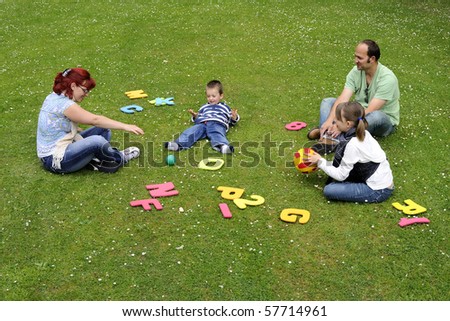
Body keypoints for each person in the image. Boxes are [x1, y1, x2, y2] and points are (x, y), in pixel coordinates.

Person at [37, 68, 144, 174]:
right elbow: (95, 120)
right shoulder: (65, 105)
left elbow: (55, 122)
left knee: (103, 130)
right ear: (73, 86)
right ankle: (118, 158)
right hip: (55, 160)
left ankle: (95, 162)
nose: (86, 94)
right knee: (97, 141)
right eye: (85, 90)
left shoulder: (53, 96)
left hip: (65, 146)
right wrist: (125, 126)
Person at [308, 39, 400, 148]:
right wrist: (329, 120)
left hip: (381, 120)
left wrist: (341, 125)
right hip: (357, 112)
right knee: (328, 102)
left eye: (360, 58)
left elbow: (370, 110)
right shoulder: (356, 71)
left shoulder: (387, 78)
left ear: (372, 59)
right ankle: (327, 132)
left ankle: (336, 139)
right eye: (355, 56)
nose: (356, 60)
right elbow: (343, 98)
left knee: (376, 116)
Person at [307, 101, 394, 203]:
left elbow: (341, 175)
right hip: (378, 179)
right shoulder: (362, 132)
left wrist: (320, 161)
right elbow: (343, 163)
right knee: (337, 177)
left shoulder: (352, 144)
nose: (335, 121)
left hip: (378, 190)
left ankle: (353, 186)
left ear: (348, 124)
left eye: (338, 119)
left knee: (329, 190)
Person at [165, 80, 239, 154]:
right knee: (192, 131)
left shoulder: (225, 107)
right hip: (203, 124)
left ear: (221, 95)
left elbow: (231, 121)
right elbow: (199, 118)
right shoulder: (204, 107)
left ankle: (222, 147)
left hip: (217, 123)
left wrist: (234, 117)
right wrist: (195, 116)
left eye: (214, 96)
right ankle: (178, 144)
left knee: (217, 133)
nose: (211, 98)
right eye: (208, 96)